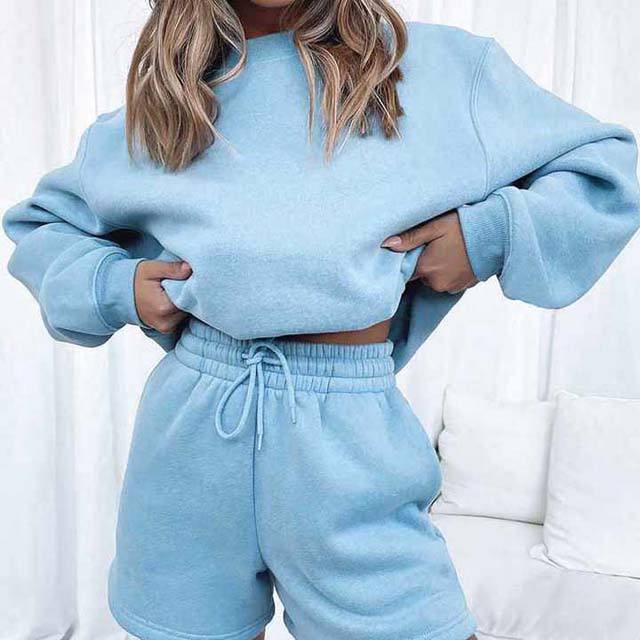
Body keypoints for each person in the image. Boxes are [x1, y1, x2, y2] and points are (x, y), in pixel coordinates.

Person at [4, 1, 640, 639]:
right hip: (188, 443)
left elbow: (604, 168)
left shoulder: (437, 70)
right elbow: (43, 225)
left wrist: (488, 236)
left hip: (350, 441)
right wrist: (114, 285)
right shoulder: (167, 104)